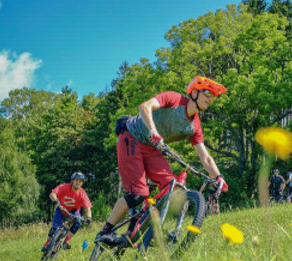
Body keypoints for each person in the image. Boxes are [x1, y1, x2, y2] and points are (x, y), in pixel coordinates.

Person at [95, 76, 229, 246]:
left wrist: (219, 177)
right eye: (208, 93)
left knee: (171, 186)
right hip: (132, 137)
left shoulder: (195, 125)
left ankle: (146, 229)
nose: (211, 99)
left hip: (152, 148)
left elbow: (205, 156)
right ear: (194, 92)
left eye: (213, 96)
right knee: (137, 194)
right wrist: (153, 131)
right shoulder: (174, 99)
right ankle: (105, 231)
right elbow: (145, 106)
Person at [42, 172, 92, 251]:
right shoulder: (64, 187)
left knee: (78, 222)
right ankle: (47, 243)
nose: (78, 182)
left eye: (80, 181)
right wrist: (55, 201)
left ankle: (67, 241)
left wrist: (89, 217)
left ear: (82, 183)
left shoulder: (82, 194)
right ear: (72, 181)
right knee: (55, 227)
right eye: (76, 180)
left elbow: (88, 208)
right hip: (61, 208)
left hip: (73, 211)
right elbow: (52, 194)